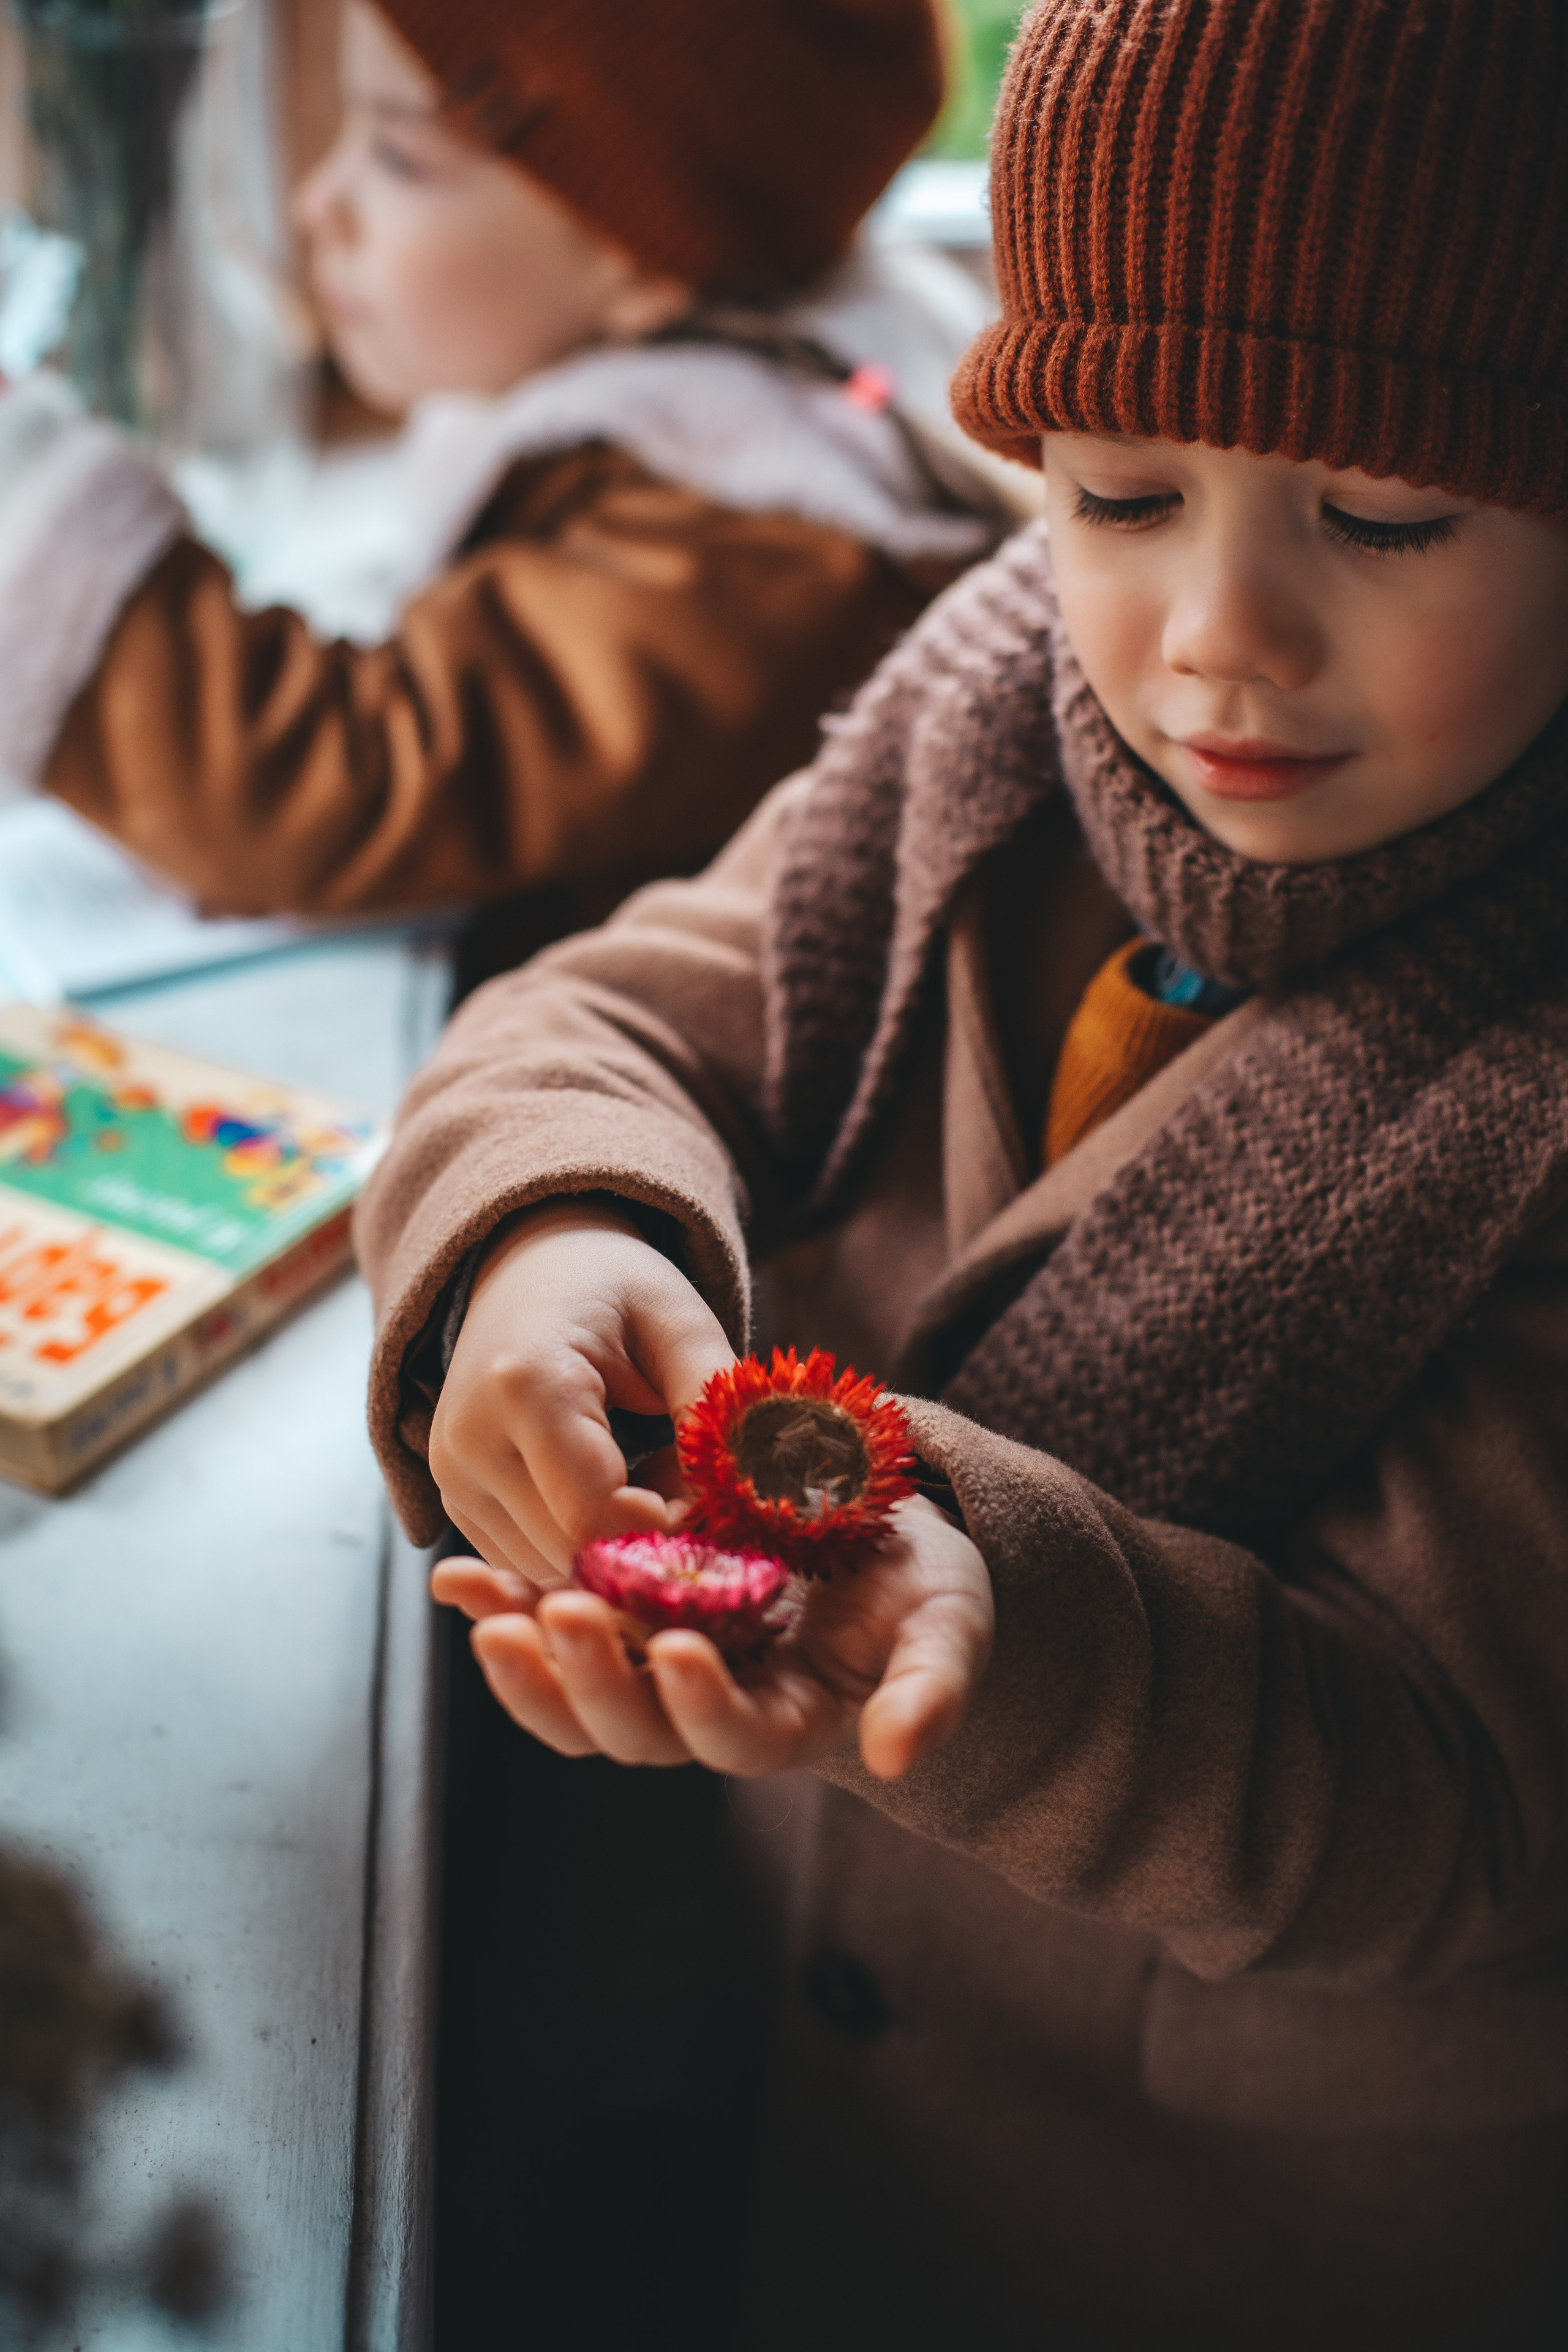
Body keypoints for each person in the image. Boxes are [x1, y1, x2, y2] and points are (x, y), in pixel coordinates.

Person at [356, 0, 1568, 2342]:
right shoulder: (993, 712)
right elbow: (611, 1021)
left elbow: (1452, 1787)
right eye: (1122, 493)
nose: (1217, 637)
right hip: (790, 2061)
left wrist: (1005, 1636)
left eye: (1385, 514)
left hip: (1219, 2240)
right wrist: (554, 1231)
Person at [0, 0, 1001, 963]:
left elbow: (348, 787)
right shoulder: (713, 403)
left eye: (399, 156)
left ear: (638, 251)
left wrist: (26, 484)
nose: (318, 203)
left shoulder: (757, 556)